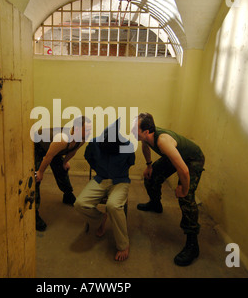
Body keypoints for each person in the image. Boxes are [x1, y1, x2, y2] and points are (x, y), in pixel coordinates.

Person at [132, 113, 205, 266]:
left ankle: (193, 245)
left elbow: (184, 171)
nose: (132, 130)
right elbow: (145, 147)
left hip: (191, 161)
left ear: (146, 132)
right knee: (150, 177)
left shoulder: (163, 141)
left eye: (135, 128)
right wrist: (149, 165)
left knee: (186, 198)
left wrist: (183, 189)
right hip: (176, 157)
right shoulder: (146, 137)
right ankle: (155, 204)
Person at [74, 119, 135, 261]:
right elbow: (88, 157)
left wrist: (117, 173)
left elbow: (130, 162)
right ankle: (100, 219)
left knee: (113, 205)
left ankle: (123, 244)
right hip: (100, 178)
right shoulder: (95, 143)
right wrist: (100, 170)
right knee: (79, 203)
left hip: (120, 181)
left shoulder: (128, 145)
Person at [34, 116, 92, 231]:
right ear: (77, 129)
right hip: (39, 146)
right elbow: (48, 157)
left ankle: (67, 195)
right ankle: (34, 213)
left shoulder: (83, 138)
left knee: (62, 169)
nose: (89, 132)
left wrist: (65, 162)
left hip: (53, 149)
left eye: (90, 129)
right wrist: (40, 172)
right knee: (35, 178)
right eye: (87, 130)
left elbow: (73, 151)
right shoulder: (63, 139)